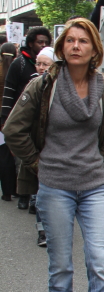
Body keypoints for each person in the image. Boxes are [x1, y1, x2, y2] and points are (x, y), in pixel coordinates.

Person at [3, 18, 104, 292]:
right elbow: (14, 129)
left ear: (94, 50)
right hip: (54, 186)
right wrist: (37, 165)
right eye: (70, 40)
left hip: (93, 188)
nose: (75, 46)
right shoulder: (45, 85)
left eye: (82, 41)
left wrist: (101, 161)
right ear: (61, 48)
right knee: (61, 266)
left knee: (100, 263)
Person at [1, 27, 52, 209]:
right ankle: (23, 194)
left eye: (46, 42)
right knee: (22, 159)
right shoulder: (20, 64)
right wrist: (5, 120)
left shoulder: (52, 67)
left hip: (41, 122)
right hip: (21, 118)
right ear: (31, 43)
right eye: (40, 42)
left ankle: (33, 197)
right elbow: (8, 93)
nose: (43, 45)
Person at [24, 46, 56, 245]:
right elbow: (17, 124)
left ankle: (55, 228)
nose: (41, 67)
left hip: (56, 151)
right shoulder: (33, 84)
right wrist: (30, 156)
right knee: (39, 194)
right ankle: (42, 231)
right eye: (38, 63)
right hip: (37, 148)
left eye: (46, 64)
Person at [0, 42, 18, 200]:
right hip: (15, 117)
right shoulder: (17, 70)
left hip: (1, 117)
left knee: (4, 154)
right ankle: (18, 189)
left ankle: (6, 192)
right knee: (17, 153)